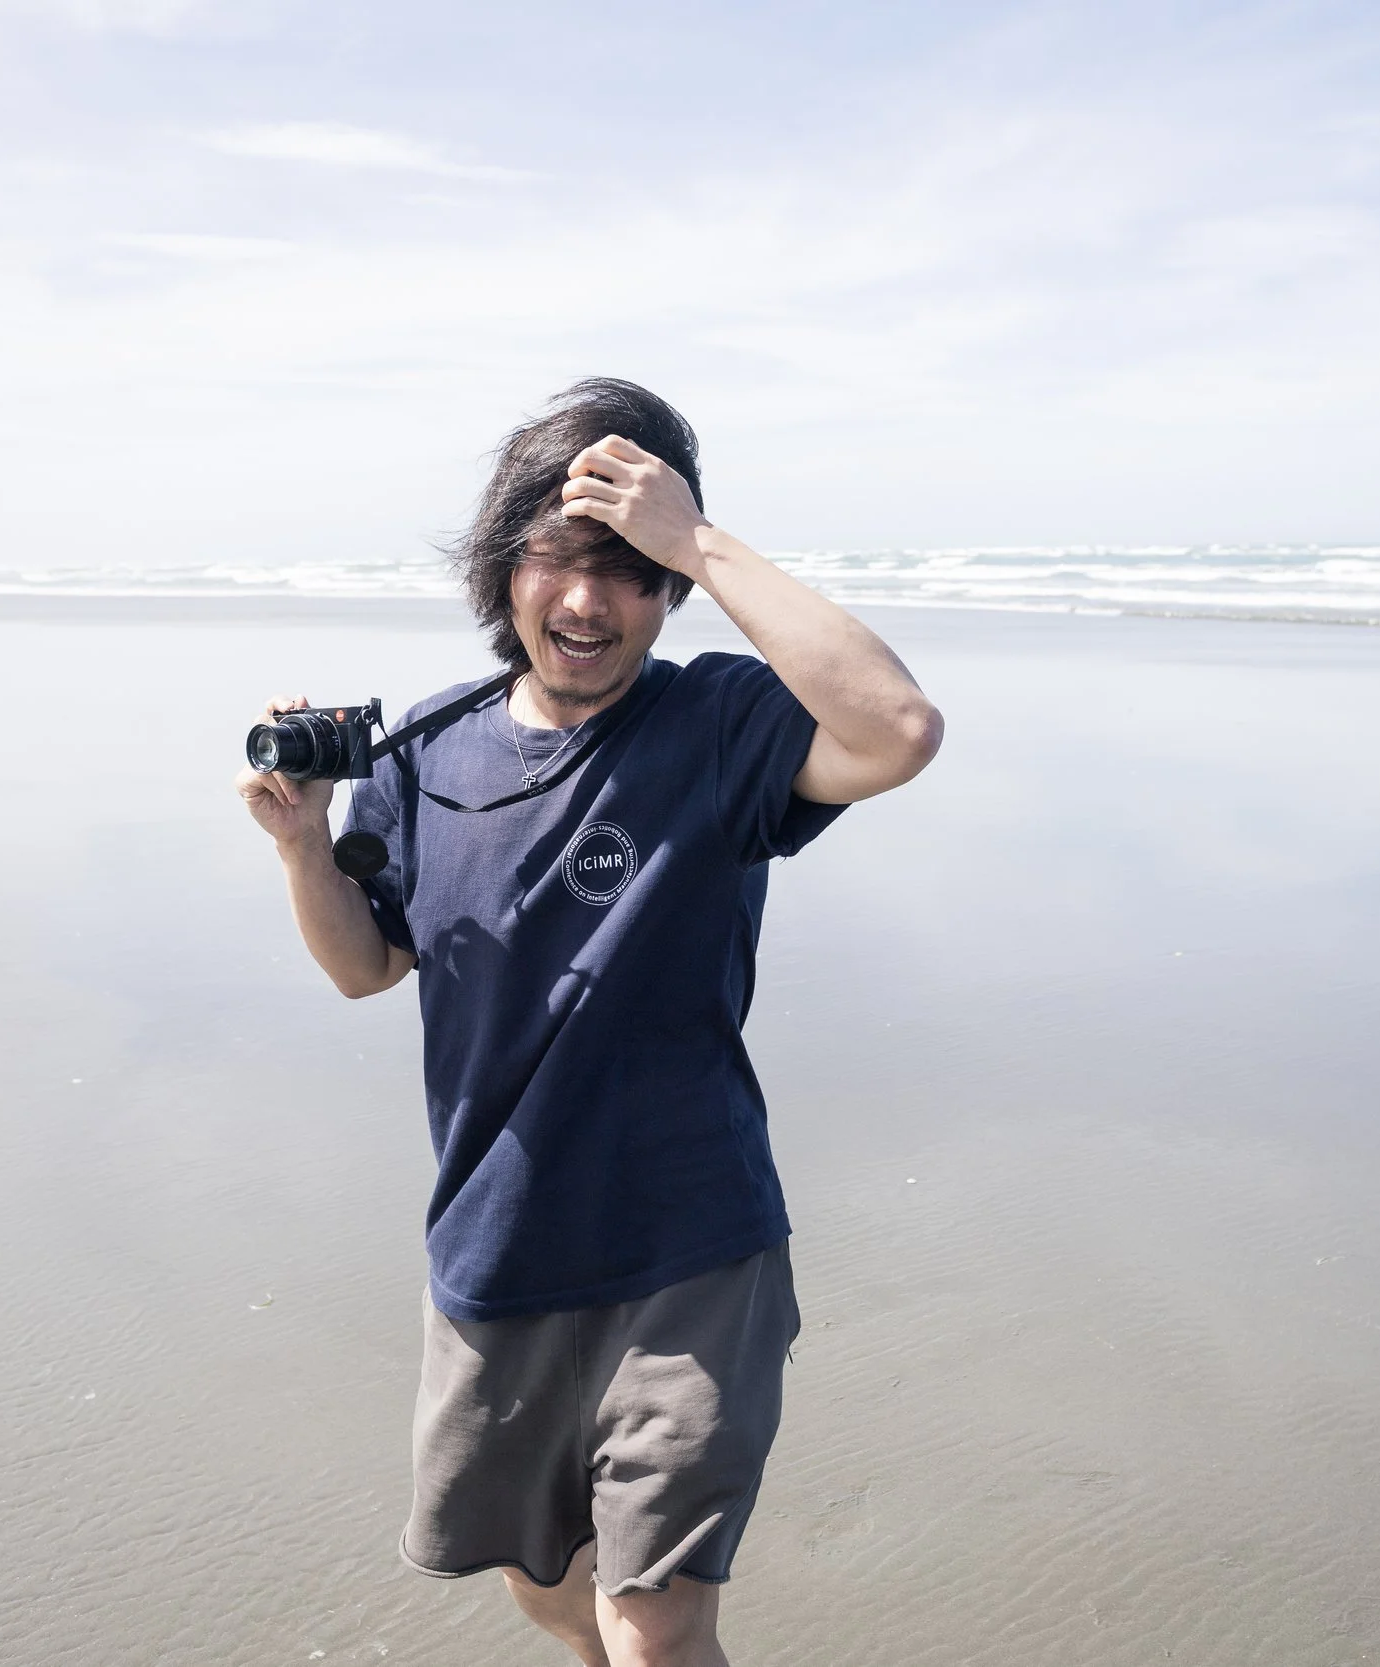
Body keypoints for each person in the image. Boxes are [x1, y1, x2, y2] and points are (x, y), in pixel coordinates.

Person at [236, 379, 943, 1667]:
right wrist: (302, 851)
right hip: (498, 1247)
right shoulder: (423, 751)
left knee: (654, 1625)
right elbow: (363, 968)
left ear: (668, 588)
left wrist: (704, 542)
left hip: (690, 1243)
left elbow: (896, 728)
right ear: (502, 571)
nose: (584, 603)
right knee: (544, 1580)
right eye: (556, 563)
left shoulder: (719, 723)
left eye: (627, 572)